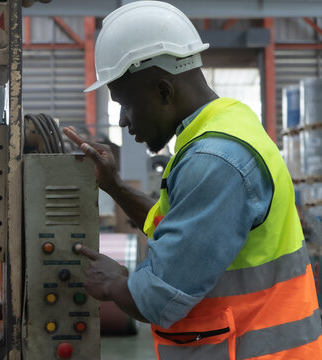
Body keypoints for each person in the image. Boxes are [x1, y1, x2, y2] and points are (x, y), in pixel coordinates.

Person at [64, 1, 322, 359]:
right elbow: (176, 228)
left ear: (164, 92)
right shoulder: (227, 125)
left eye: (125, 103)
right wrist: (114, 186)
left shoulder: (213, 160)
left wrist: (115, 284)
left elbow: (158, 297)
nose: (123, 122)